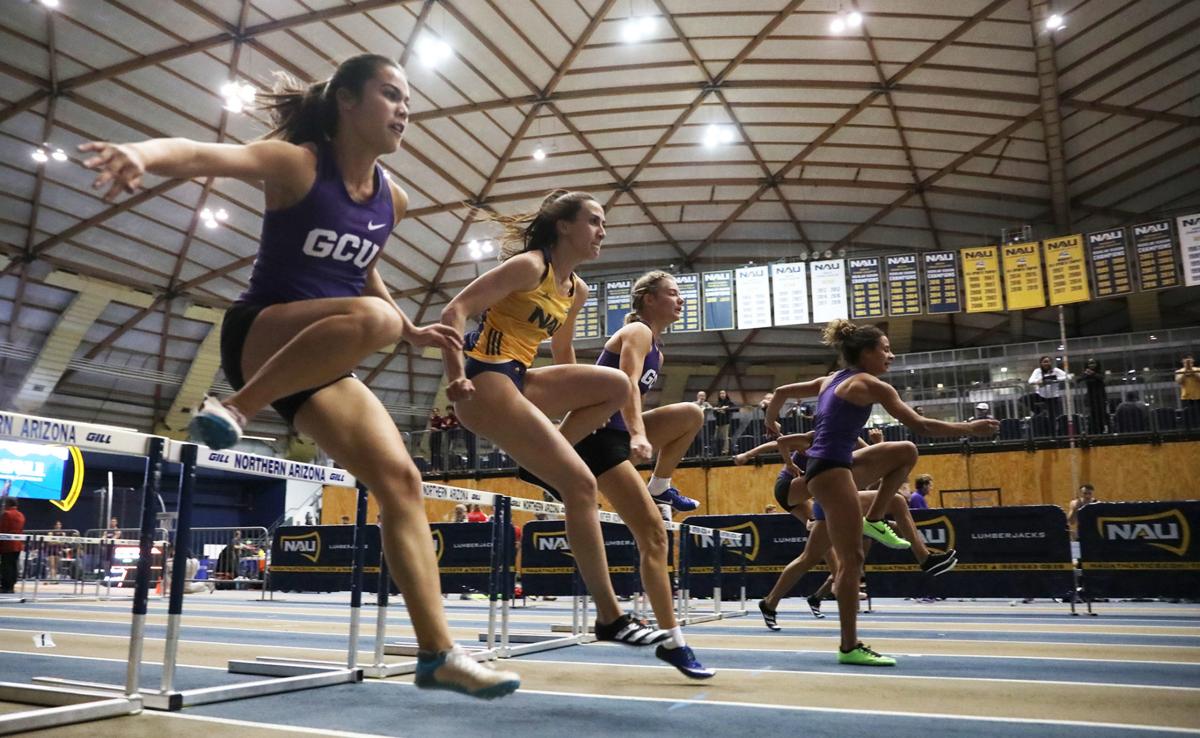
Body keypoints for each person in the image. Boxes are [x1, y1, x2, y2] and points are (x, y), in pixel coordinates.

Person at [80, 54, 517, 698]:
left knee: (402, 481)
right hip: (261, 333)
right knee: (377, 321)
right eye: (391, 95)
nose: (405, 110)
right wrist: (142, 155)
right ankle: (238, 407)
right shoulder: (298, 164)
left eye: (408, 101)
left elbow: (363, 267)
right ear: (346, 100)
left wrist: (409, 325)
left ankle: (438, 654)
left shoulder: (393, 198)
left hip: (324, 356)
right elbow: (205, 154)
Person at [440, 189, 667, 650]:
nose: (602, 231)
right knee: (581, 485)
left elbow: (563, 353)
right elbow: (454, 310)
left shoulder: (575, 288)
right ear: (564, 226)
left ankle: (541, 466)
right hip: (483, 379)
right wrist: (453, 377)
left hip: (521, 378)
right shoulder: (530, 266)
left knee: (617, 385)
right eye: (594, 221)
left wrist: (577, 405)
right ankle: (610, 617)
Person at [764, 319, 997, 666]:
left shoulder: (830, 379)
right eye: (884, 349)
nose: (891, 354)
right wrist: (969, 428)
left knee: (905, 451)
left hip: (833, 467)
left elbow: (781, 392)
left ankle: (874, 519)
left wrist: (771, 420)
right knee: (852, 560)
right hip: (830, 472)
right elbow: (920, 424)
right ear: (866, 352)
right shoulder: (870, 384)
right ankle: (849, 646)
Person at [517, 271, 713, 677]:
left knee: (692, 414)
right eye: (673, 293)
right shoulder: (639, 332)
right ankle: (674, 641)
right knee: (654, 537)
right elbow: (626, 384)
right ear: (648, 299)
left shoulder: (656, 342)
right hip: (602, 439)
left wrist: (638, 435)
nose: (680, 300)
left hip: (617, 433)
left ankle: (661, 485)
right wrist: (640, 433)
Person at [737, 434, 956, 625]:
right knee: (893, 502)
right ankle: (920, 558)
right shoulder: (819, 435)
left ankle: (770, 602)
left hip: (824, 496)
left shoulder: (848, 437)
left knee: (810, 556)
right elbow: (780, 442)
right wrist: (750, 455)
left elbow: (873, 455)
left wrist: (879, 444)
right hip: (793, 488)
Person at [1029, 356, 1068, 421]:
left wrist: (1055, 379)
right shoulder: (1037, 371)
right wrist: (1039, 381)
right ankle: (1039, 411)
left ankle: (1052, 430)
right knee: (1022, 399)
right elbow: (1030, 381)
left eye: (1048, 362)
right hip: (1041, 395)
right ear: (1041, 363)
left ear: (1051, 363)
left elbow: (1068, 376)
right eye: (1044, 362)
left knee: (1052, 417)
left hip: (1053, 397)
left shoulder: (1055, 370)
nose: (1046, 364)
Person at [1067, 483, 1097, 561]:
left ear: (1092, 494)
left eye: (1089, 493)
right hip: (1080, 534)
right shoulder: (1075, 503)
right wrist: (1074, 509)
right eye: (1085, 493)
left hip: (1094, 534)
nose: (1087, 496)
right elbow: (1071, 522)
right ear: (1081, 494)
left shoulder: (1096, 504)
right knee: (1080, 559)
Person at [0, 499, 25, 593]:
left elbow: (2, 529)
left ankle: (6, 587)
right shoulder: (21, 515)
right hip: (18, 544)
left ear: (8, 504)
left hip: (8, 544)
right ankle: (11, 586)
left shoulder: (7, 514)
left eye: (5, 503)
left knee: (6, 566)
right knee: (13, 566)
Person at [1079, 358, 1107, 434]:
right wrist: (1086, 374)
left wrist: (1092, 374)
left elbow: (1102, 378)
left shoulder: (1100, 373)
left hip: (1100, 397)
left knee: (1101, 414)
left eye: (1093, 363)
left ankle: (1102, 430)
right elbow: (1079, 379)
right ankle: (1093, 431)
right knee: (1092, 415)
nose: (1091, 365)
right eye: (1090, 364)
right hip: (1091, 398)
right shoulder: (1086, 374)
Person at [713, 389, 736, 454]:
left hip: (726, 422)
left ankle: (725, 451)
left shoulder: (729, 402)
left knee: (725, 437)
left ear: (726, 395)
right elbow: (714, 414)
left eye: (723, 393)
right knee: (716, 437)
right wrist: (717, 410)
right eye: (721, 393)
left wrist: (727, 408)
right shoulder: (718, 403)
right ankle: (717, 450)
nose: (722, 395)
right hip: (718, 423)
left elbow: (735, 408)